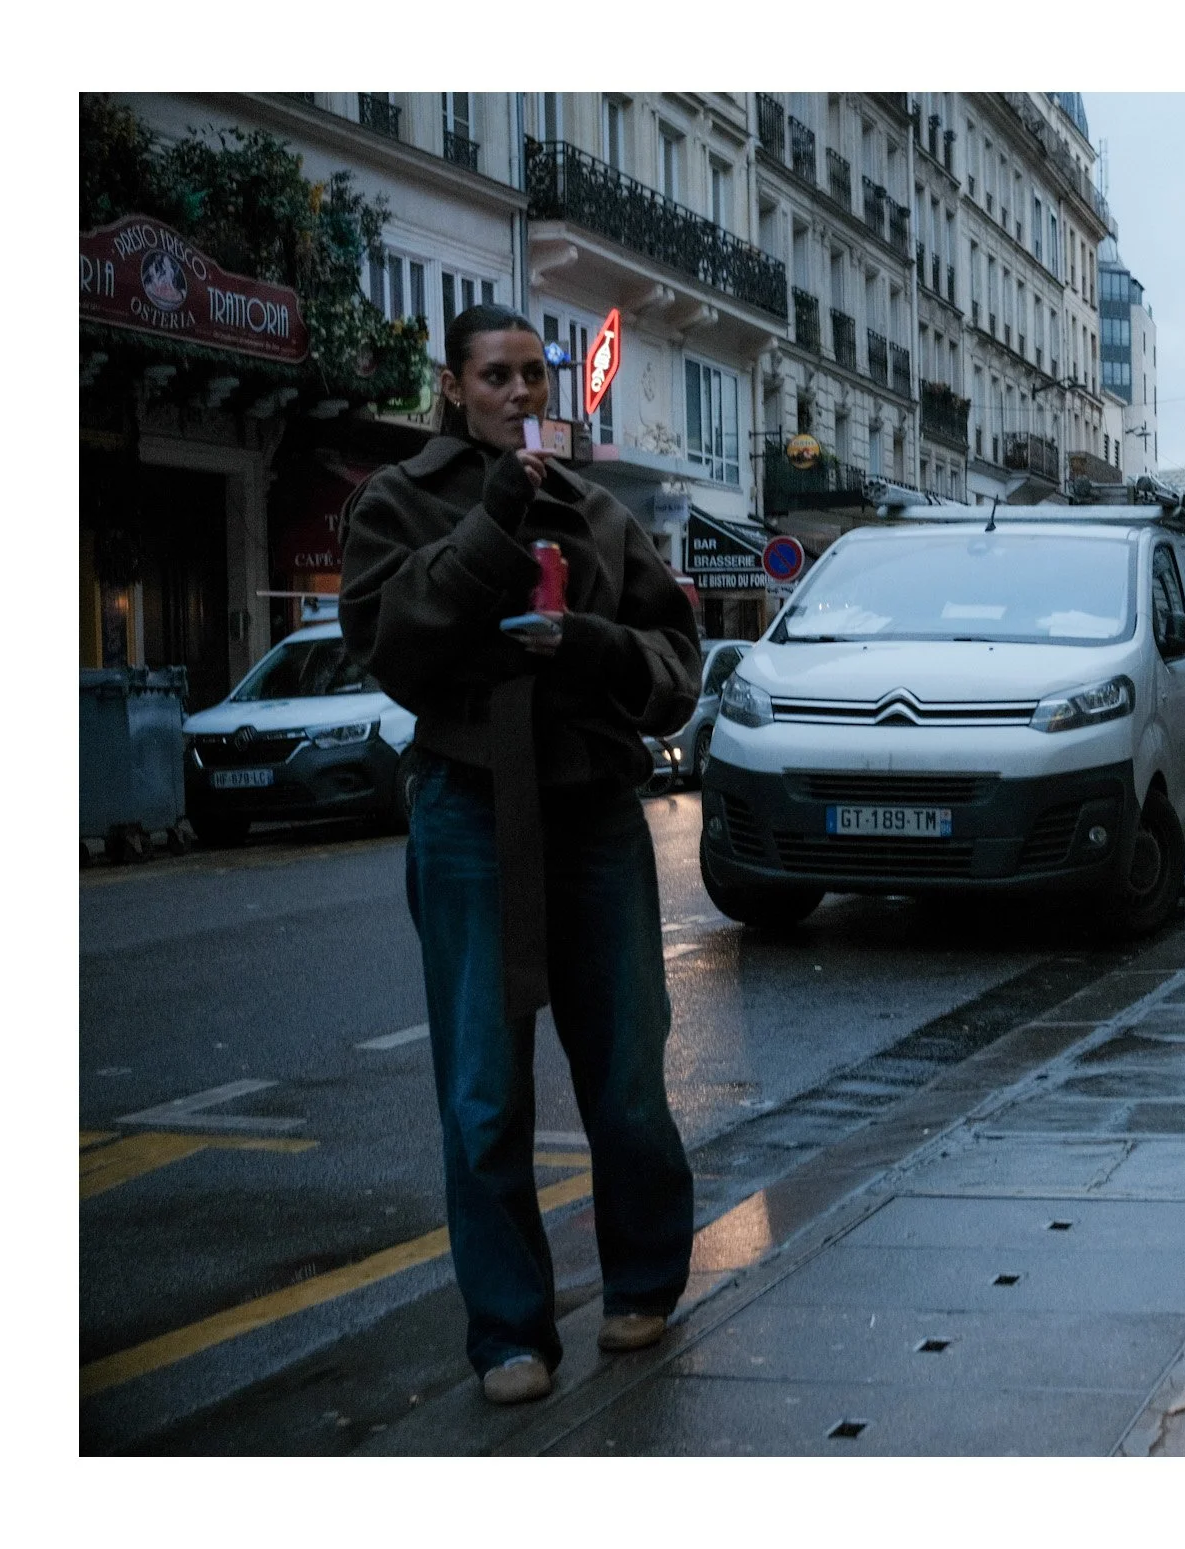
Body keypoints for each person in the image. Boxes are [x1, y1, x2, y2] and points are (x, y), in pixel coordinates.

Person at [340, 304, 702, 1403]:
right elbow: (396, 644)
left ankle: (643, 1282)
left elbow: (676, 661)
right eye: (493, 377)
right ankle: (509, 1333)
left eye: (532, 379)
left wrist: (588, 643)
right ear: (452, 386)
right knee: (484, 1091)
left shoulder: (595, 506)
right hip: (469, 804)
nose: (516, 396)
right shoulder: (396, 501)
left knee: (629, 1070)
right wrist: (495, 519)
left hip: (592, 809)